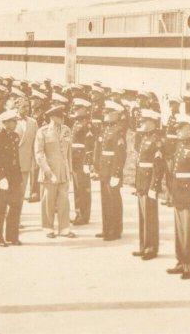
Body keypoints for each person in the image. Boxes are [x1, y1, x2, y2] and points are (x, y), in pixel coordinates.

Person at [165, 114, 190, 280]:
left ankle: (189, 265)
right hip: (179, 193)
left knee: (188, 232)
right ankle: (180, 261)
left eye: (181, 128)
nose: (178, 130)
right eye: (177, 128)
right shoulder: (180, 145)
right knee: (179, 231)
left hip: (189, 195)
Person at [35, 104, 75, 238]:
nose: (63, 118)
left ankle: (64, 228)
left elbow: (69, 152)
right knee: (48, 200)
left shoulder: (67, 130)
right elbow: (39, 154)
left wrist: (69, 169)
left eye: (63, 115)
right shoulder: (43, 131)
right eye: (59, 116)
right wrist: (47, 171)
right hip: (49, 171)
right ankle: (48, 228)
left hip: (63, 171)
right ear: (52, 117)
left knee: (64, 200)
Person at [133, 108, 165, 260]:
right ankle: (143, 245)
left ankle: (151, 248)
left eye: (145, 121)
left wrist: (154, 185)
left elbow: (158, 166)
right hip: (141, 181)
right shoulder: (144, 138)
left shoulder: (156, 141)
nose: (142, 123)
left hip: (149, 182)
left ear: (152, 123)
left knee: (150, 217)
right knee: (142, 216)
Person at [0, 109, 24, 247]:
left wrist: (18, 177)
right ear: (6, 123)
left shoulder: (15, 136)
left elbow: (15, 158)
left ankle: (12, 236)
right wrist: (1, 177)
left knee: (15, 207)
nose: (15, 123)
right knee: (0, 209)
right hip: (2, 178)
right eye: (13, 121)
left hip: (14, 177)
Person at [96, 100, 127, 241]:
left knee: (113, 200)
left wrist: (116, 173)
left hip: (112, 170)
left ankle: (115, 230)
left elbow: (120, 154)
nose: (105, 114)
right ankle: (106, 228)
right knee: (105, 200)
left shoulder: (119, 130)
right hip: (104, 169)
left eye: (108, 112)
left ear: (116, 114)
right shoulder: (106, 128)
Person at [69, 98, 95, 225]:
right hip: (75, 158)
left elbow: (90, 145)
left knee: (83, 188)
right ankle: (78, 213)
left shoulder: (87, 124)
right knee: (77, 188)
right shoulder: (77, 122)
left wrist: (88, 162)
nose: (75, 110)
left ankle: (84, 216)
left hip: (82, 160)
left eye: (78, 108)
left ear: (84, 109)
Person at [12, 97, 38, 203]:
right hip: (10, 161)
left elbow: (36, 143)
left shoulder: (33, 122)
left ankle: (16, 212)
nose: (26, 109)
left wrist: (36, 160)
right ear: (17, 107)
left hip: (25, 161)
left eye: (28, 107)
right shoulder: (9, 120)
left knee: (22, 190)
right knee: (11, 189)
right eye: (24, 107)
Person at [162, 98, 181, 207]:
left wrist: (175, 151)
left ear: (178, 105)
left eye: (174, 105)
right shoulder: (171, 117)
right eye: (171, 105)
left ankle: (173, 198)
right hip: (167, 149)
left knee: (173, 175)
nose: (171, 107)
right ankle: (168, 197)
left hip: (173, 150)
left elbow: (178, 136)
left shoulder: (179, 118)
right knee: (168, 175)